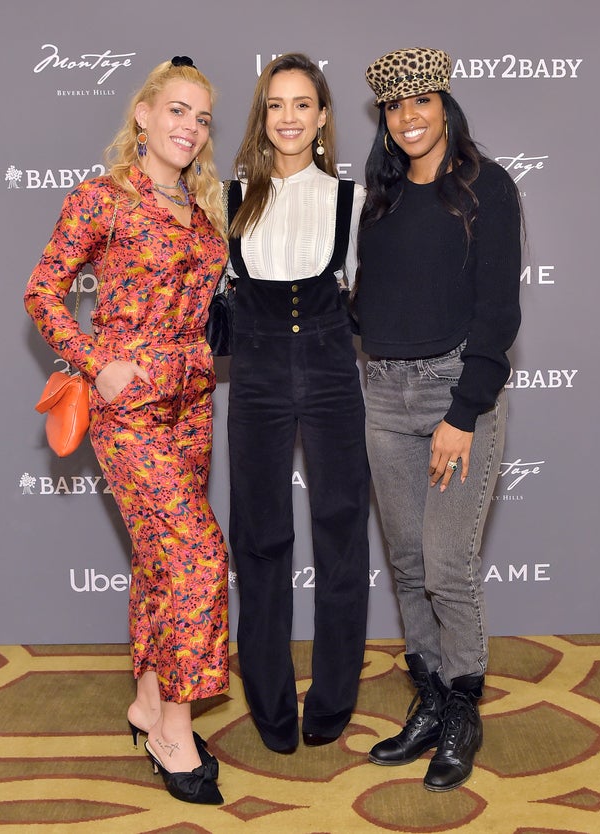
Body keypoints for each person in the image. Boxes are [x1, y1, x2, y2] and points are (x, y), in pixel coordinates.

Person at [25, 56, 228, 805]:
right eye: (177, 111)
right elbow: (43, 291)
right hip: (130, 409)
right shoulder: (102, 197)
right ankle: (174, 726)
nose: (190, 128)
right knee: (200, 558)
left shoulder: (204, 209)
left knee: (159, 561)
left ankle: (146, 700)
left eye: (202, 118)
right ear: (142, 115)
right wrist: (93, 359)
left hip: (193, 405)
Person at [357, 47, 522, 791]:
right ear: (385, 121)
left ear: (445, 106)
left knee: (448, 565)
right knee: (408, 564)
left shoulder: (488, 188)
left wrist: (463, 412)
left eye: (421, 101)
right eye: (395, 107)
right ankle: (426, 698)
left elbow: (498, 315)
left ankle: (463, 705)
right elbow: (369, 305)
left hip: (458, 396)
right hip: (383, 399)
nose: (409, 116)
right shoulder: (381, 197)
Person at [226, 53, 370, 754]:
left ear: (321, 118)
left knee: (341, 529)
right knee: (259, 536)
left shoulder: (353, 200)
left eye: (302, 104)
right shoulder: (226, 199)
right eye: (276, 104)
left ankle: (335, 694)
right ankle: (269, 698)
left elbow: (376, 299)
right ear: (264, 116)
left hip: (331, 368)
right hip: (253, 375)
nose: (288, 116)